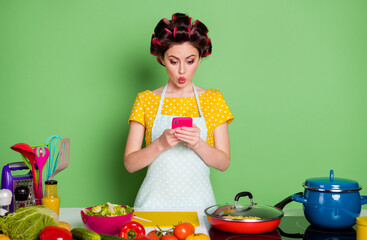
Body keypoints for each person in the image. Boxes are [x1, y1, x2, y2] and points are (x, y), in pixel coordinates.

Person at [124, 13, 234, 210]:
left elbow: (223, 162)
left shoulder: (213, 99)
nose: (182, 71)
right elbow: (130, 164)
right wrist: (160, 144)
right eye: (174, 61)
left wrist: (197, 144)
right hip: (151, 207)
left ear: (200, 58)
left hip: (200, 207)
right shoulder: (145, 100)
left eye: (190, 61)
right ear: (162, 59)